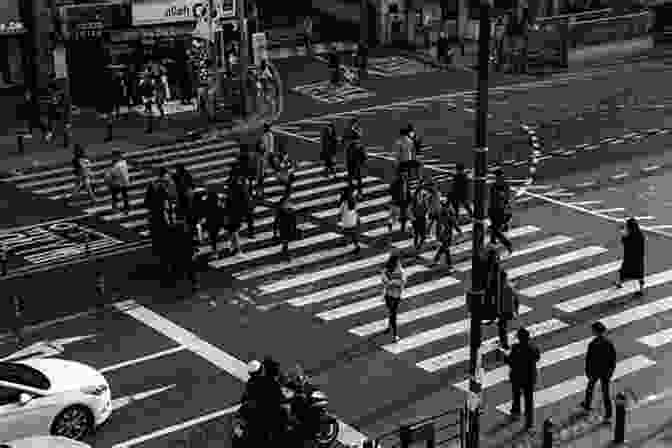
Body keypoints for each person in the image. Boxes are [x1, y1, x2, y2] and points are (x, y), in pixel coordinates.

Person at [504, 327, 540, 430]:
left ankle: (516, 413)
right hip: (529, 378)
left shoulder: (515, 348)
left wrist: (506, 357)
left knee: (516, 395)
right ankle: (529, 423)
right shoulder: (533, 348)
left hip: (517, 376)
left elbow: (510, 361)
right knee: (529, 401)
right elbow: (537, 357)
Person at [580, 321, 617, 422]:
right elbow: (613, 358)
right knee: (606, 393)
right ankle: (608, 414)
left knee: (590, 388)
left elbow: (588, 359)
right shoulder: (609, 343)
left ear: (595, 332)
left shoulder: (592, 344)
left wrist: (587, 371)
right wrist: (611, 371)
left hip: (595, 371)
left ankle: (587, 405)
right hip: (605, 372)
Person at [615, 217, 645, 294]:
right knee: (640, 274)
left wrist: (622, 232)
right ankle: (641, 289)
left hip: (629, 257)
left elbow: (623, 242)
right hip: (639, 258)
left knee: (624, 271)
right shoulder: (640, 235)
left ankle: (619, 283)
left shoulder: (629, 235)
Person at [382, 252, 407, 342]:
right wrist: (392, 282)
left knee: (393, 314)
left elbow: (403, 281)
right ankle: (392, 330)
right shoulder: (388, 270)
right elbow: (384, 279)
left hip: (394, 295)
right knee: (391, 312)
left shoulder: (400, 270)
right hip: (390, 294)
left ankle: (394, 334)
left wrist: (392, 282)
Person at [488, 169, 513, 254]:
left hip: (500, 212)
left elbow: (506, 200)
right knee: (494, 229)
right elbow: (492, 200)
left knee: (495, 230)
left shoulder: (503, 186)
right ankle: (493, 242)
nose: (497, 178)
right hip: (494, 211)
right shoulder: (495, 186)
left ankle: (507, 244)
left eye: (497, 176)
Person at [433, 200, 463, 270]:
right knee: (447, 249)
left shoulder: (442, 213)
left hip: (446, 234)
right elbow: (453, 223)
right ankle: (449, 264)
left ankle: (436, 259)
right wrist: (459, 231)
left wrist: (459, 230)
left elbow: (453, 223)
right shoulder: (445, 213)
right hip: (446, 234)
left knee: (444, 248)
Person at [497, 270, 520, 351]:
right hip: (509, 310)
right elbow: (516, 299)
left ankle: (504, 343)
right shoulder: (510, 287)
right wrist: (516, 310)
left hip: (501, 311)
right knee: (514, 324)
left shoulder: (496, 288)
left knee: (502, 327)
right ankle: (520, 336)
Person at [273, 194, 298, 258]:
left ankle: (285, 251)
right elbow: (276, 221)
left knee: (286, 241)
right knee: (285, 240)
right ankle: (285, 253)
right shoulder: (280, 211)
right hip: (283, 227)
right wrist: (275, 231)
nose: (288, 203)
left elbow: (294, 220)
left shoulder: (290, 210)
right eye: (286, 202)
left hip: (289, 227)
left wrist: (294, 228)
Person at [339, 187, 361, 253]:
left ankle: (346, 242)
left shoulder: (344, 203)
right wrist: (358, 218)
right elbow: (356, 211)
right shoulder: (354, 201)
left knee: (345, 231)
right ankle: (355, 245)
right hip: (353, 220)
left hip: (346, 220)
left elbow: (341, 212)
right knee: (353, 233)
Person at [204, 192, 225, 259]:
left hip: (211, 225)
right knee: (216, 238)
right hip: (218, 224)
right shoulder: (218, 206)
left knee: (213, 239)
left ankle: (216, 252)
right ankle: (218, 251)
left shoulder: (208, 207)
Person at [346, 134, 367, 198]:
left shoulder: (349, 146)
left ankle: (350, 194)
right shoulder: (360, 146)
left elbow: (347, 157)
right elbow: (364, 157)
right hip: (357, 166)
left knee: (351, 180)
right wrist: (362, 163)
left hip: (351, 166)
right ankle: (359, 193)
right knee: (359, 181)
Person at [411, 185, 430, 250]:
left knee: (420, 234)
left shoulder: (422, 199)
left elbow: (426, 208)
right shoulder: (415, 200)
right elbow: (412, 209)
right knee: (417, 234)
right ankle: (417, 245)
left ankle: (418, 245)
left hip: (420, 218)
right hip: (418, 218)